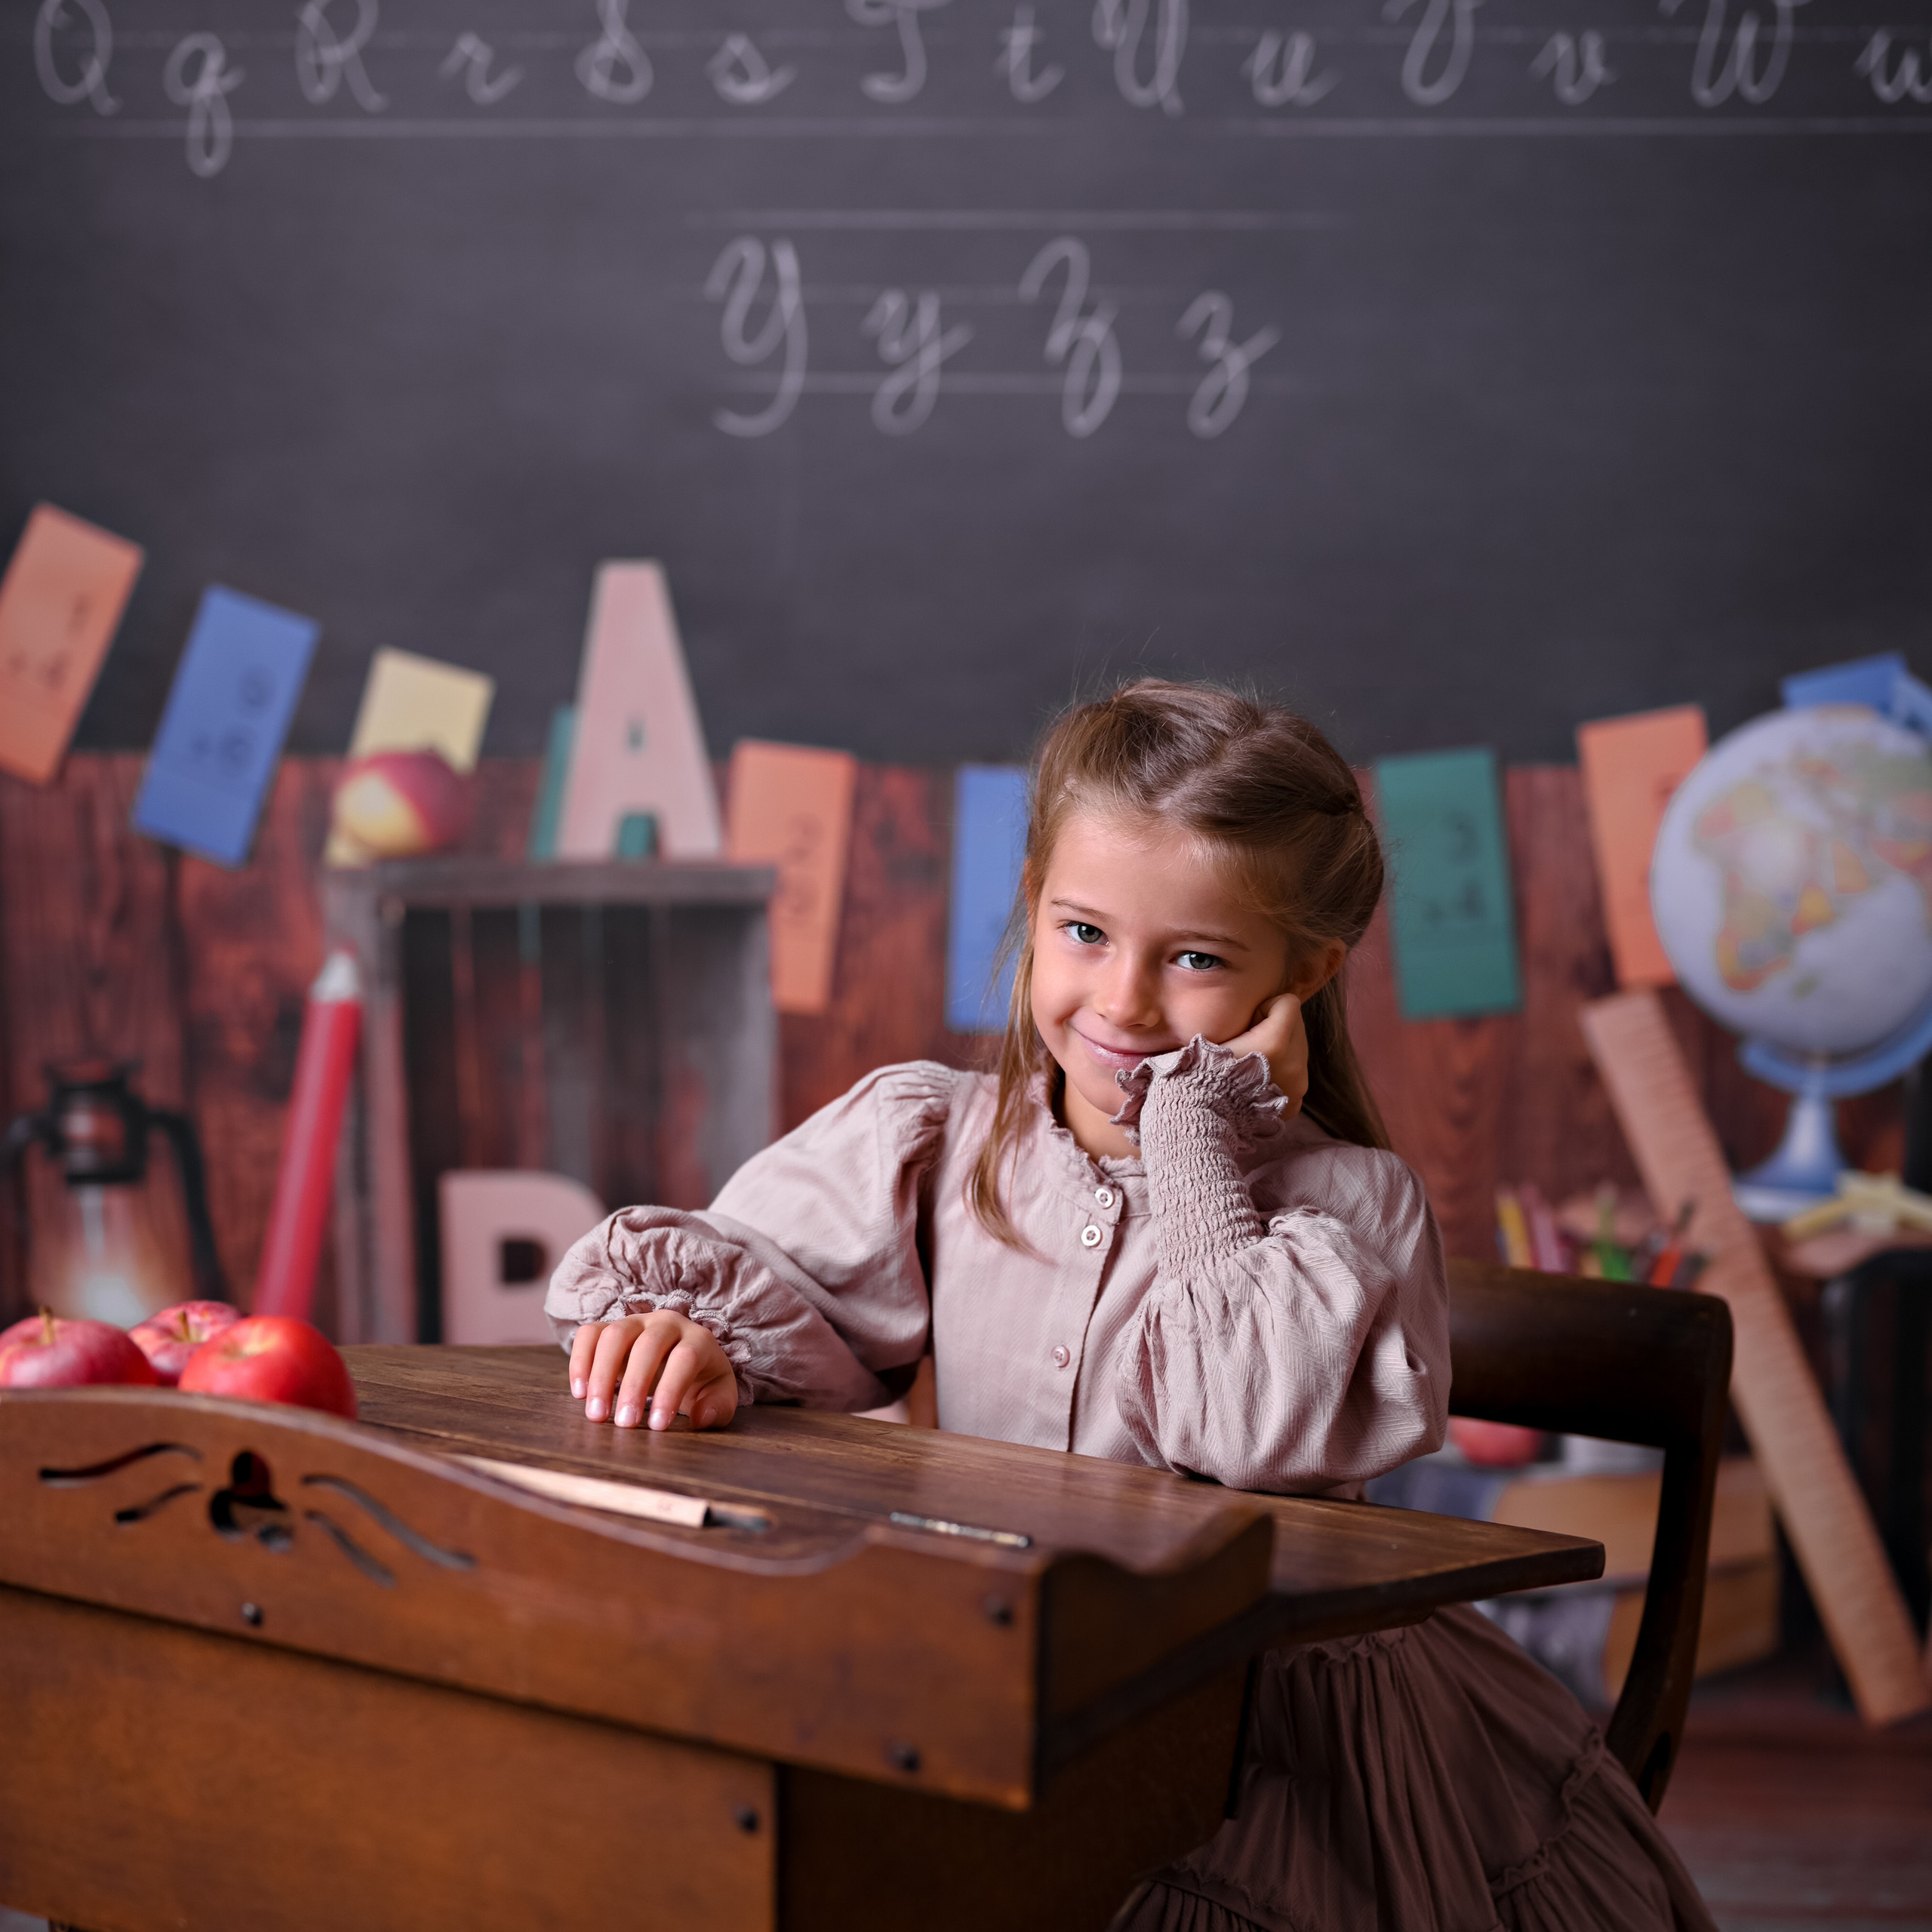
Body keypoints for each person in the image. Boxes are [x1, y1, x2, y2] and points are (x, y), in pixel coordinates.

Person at [546, 678, 1715, 1932]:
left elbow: (1252, 1433)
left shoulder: (1352, 1208)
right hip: (992, 1675)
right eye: (1085, 932)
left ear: (1304, 975)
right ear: (1034, 904)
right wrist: (699, 1341)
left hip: (1263, 1746)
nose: (1124, 1005)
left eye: (1198, 959)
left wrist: (1195, 1148)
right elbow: (761, 1279)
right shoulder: (935, 1138)